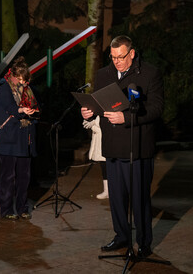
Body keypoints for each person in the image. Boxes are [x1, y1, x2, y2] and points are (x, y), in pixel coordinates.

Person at [81, 35, 164, 257]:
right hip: (113, 146)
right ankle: (121, 236)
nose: (117, 61)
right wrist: (90, 111)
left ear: (132, 53)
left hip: (137, 147)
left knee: (139, 199)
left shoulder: (149, 73)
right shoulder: (103, 74)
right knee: (116, 198)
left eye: (121, 57)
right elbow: (100, 104)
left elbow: (156, 108)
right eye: (113, 57)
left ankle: (144, 243)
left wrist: (126, 119)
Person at [0, 56, 39, 220]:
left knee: (24, 177)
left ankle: (22, 207)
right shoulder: (3, 87)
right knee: (7, 178)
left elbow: (34, 104)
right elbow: (10, 108)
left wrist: (32, 111)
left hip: (24, 139)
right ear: (13, 76)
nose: (24, 84)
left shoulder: (28, 89)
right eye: (21, 80)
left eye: (26, 81)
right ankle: (6, 210)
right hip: (8, 139)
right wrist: (22, 111)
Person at [82, 116, 108, 199]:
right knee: (104, 165)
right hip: (99, 137)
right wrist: (89, 120)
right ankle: (107, 190)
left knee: (110, 165)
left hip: (107, 136)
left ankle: (114, 190)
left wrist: (94, 123)